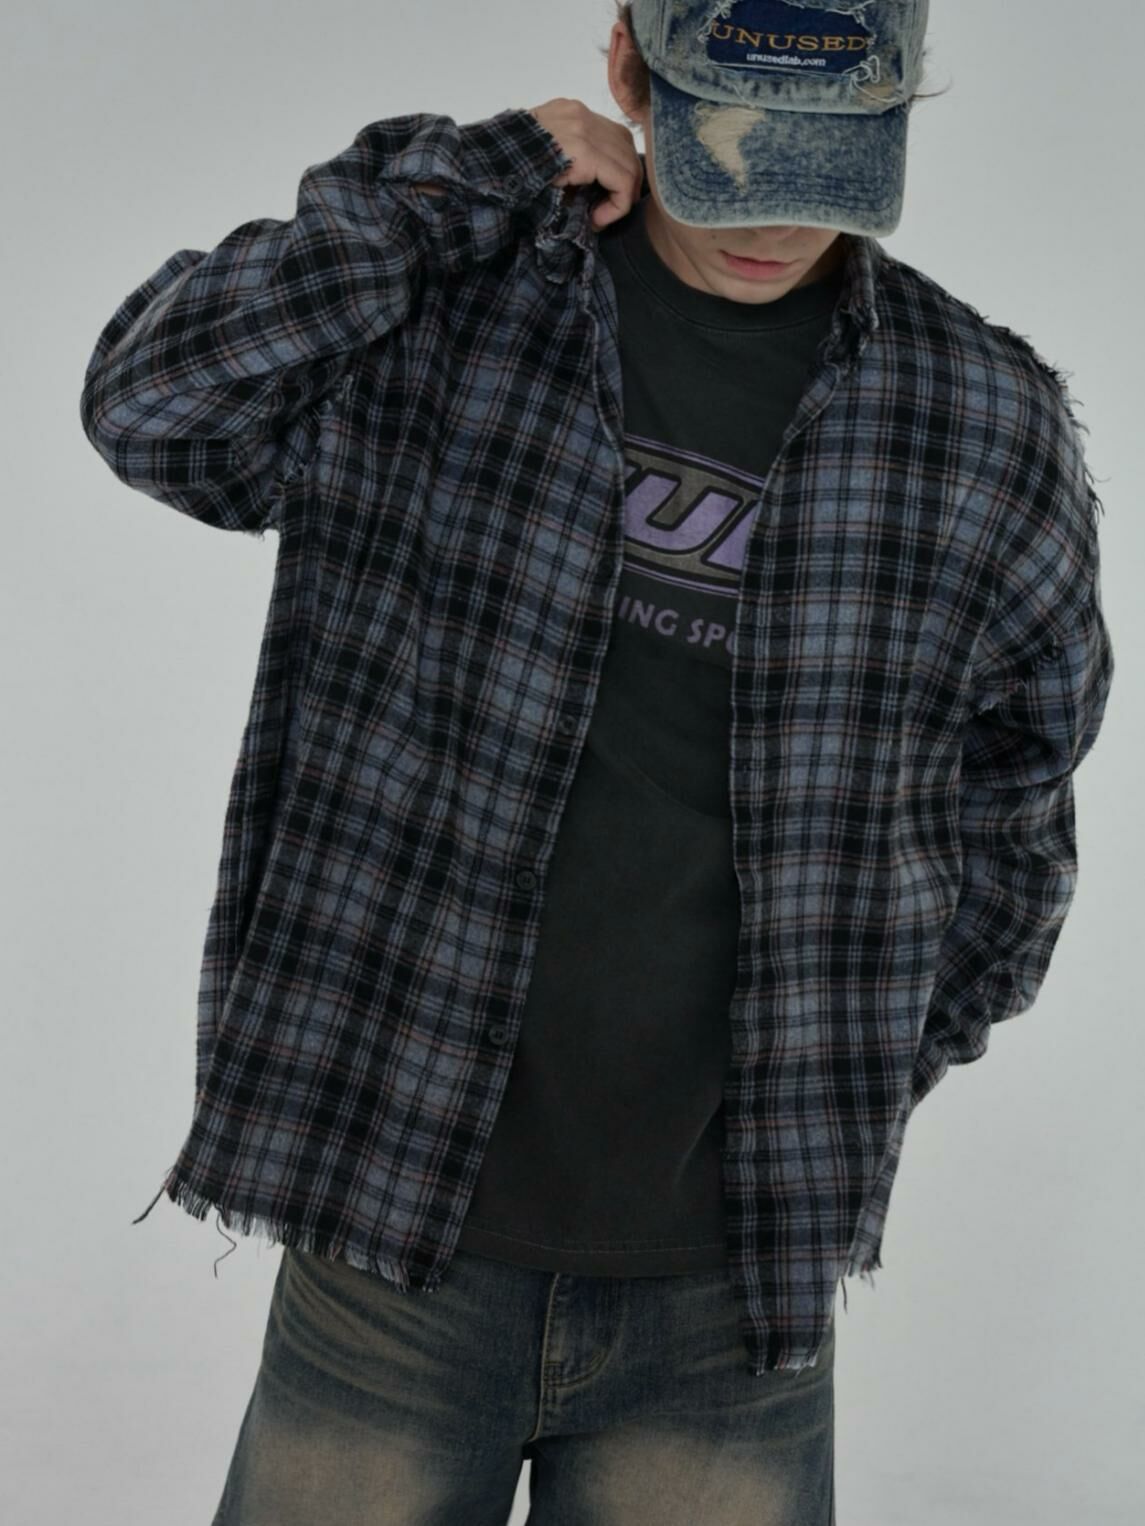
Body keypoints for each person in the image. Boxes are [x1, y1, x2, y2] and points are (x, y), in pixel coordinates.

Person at [79, 2, 1114, 1522]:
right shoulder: (452, 300)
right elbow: (152, 407)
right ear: (626, 65)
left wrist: (850, 1057)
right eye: (731, 158)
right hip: (389, 1221)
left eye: (826, 166)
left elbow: (1019, 810)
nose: (773, 219)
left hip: (730, 1289)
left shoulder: (979, 416)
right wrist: (464, 180)